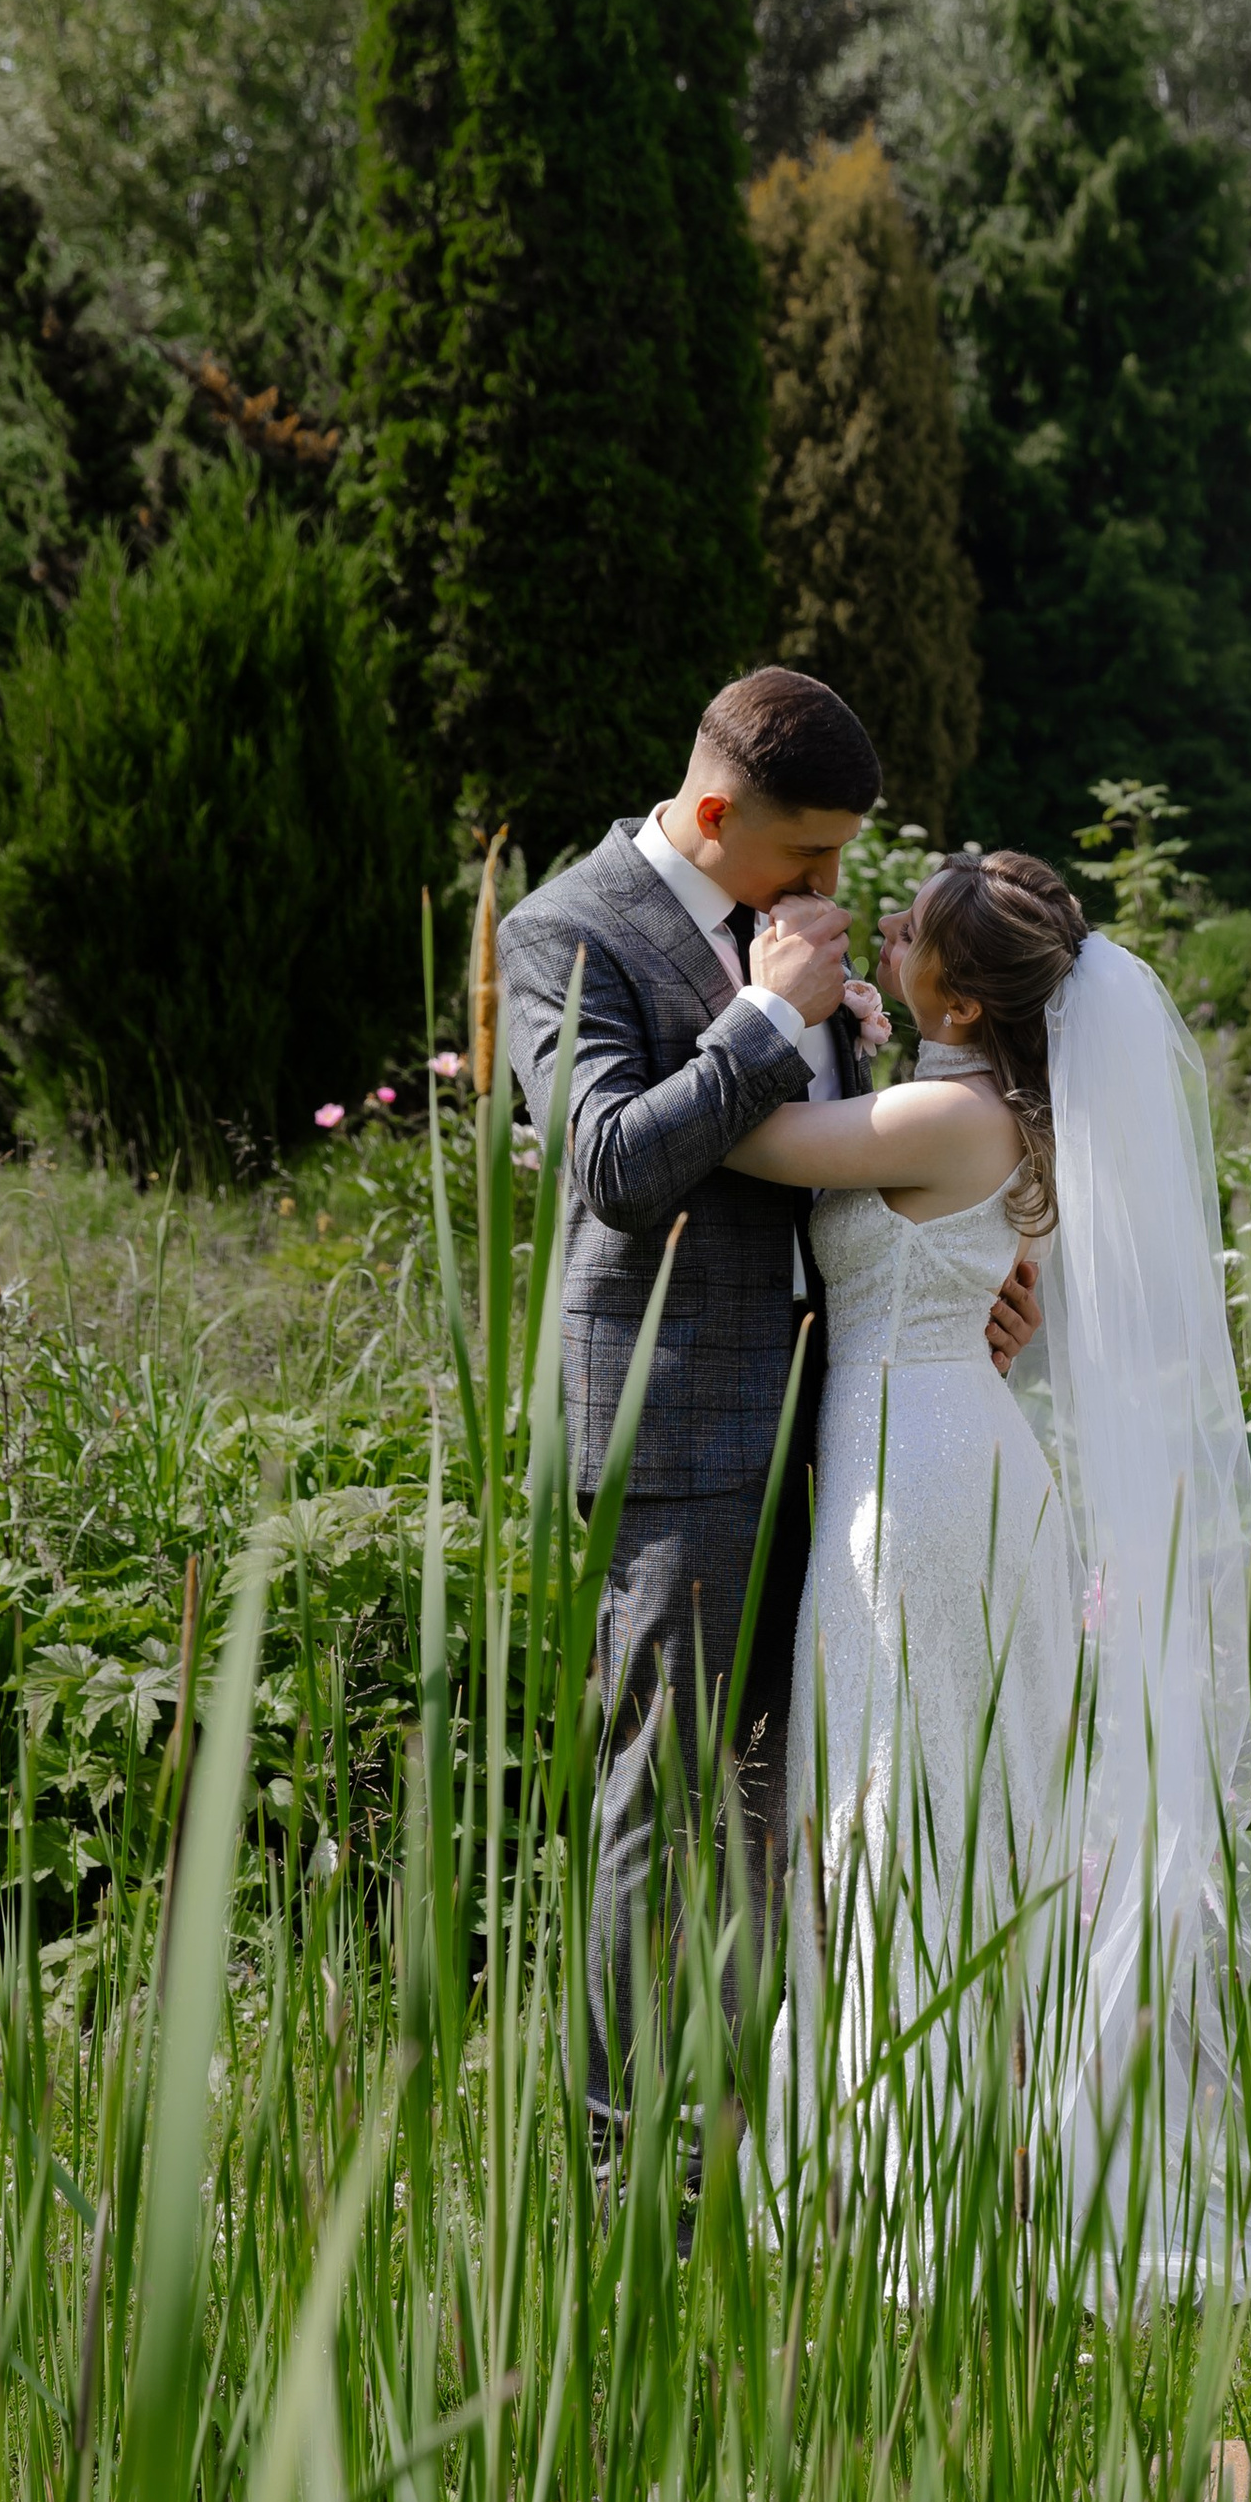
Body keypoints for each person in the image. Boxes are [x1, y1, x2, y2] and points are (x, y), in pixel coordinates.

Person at [724, 848, 1251, 2290]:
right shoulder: (1001, 1110)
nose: (880, 928)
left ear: (954, 989)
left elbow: (758, 1144)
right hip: (958, 1448)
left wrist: (759, 1005)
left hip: (920, 1478)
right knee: (928, 1801)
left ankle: (898, 2177)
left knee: (901, 1806)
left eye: (907, 928)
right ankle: (916, 2139)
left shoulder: (943, 1111)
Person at [495, 666, 1039, 2146]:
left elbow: (854, 1172)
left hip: (847, 1434)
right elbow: (608, 1159)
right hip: (671, 1439)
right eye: (811, 857)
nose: (834, 887)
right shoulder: (568, 930)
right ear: (720, 810)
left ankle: (750, 2122)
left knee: (781, 1799)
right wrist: (758, 1016)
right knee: (659, 1802)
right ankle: (624, 2162)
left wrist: (951, 1281)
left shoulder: (789, 923)